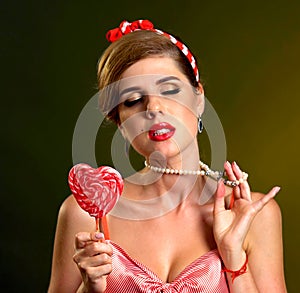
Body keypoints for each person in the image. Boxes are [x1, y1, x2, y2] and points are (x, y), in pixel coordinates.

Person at [48, 20, 287, 292]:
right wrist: (88, 289)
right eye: (133, 100)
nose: (154, 107)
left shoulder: (252, 214)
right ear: (120, 123)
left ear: (199, 99)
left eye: (170, 90)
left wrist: (234, 259)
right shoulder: (85, 214)